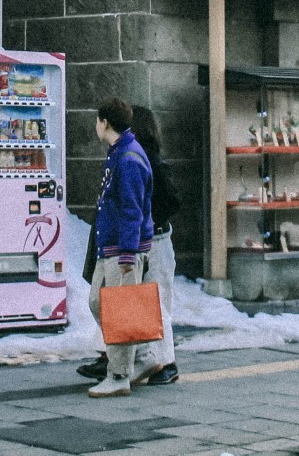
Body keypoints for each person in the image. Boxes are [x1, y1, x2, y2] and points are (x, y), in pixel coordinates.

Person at [79, 104, 181, 386]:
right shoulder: (128, 154)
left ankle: (163, 361)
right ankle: (128, 357)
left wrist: (145, 224)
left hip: (152, 241)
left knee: (152, 302)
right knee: (126, 301)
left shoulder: (138, 158)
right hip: (139, 240)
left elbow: (162, 201)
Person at [85, 98, 154, 398]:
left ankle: (119, 375)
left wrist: (128, 254)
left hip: (121, 250)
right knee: (99, 303)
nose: (95, 126)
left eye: (97, 121)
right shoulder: (121, 153)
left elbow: (131, 210)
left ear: (105, 123)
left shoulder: (127, 159)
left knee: (117, 310)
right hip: (110, 246)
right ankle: (139, 357)